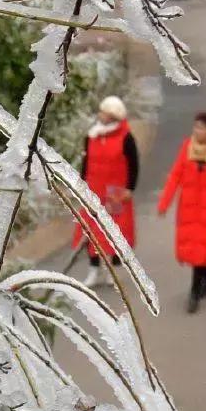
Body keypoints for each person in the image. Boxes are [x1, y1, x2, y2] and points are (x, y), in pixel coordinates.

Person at [157, 110, 206, 312]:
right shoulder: (187, 147)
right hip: (189, 208)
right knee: (196, 250)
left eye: (201, 127)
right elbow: (175, 175)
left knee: (203, 249)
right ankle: (205, 278)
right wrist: (164, 203)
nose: (196, 130)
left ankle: (194, 293)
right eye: (196, 126)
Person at [74, 95, 139, 285]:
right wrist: (80, 183)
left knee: (117, 231)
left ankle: (113, 269)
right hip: (93, 191)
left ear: (112, 116)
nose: (100, 115)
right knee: (91, 230)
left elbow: (134, 164)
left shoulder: (126, 137)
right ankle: (93, 269)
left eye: (104, 112)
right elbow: (86, 162)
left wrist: (130, 188)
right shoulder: (92, 135)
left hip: (115, 193)